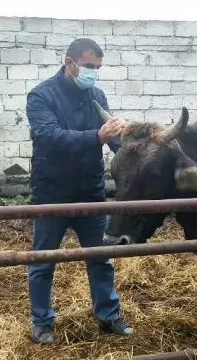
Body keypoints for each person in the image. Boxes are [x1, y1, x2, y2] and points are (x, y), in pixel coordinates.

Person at [25, 38, 133, 344]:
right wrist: (97, 136)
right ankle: (41, 322)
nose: (94, 73)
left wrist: (131, 140)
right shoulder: (41, 96)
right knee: (43, 260)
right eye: (89, 67)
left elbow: (114, 142)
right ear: (69, 62)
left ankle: (108, 316)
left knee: (100, 258)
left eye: (98, 68)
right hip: (51, 195)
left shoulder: (95, 95)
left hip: (90, 193)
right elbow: (51, 137)